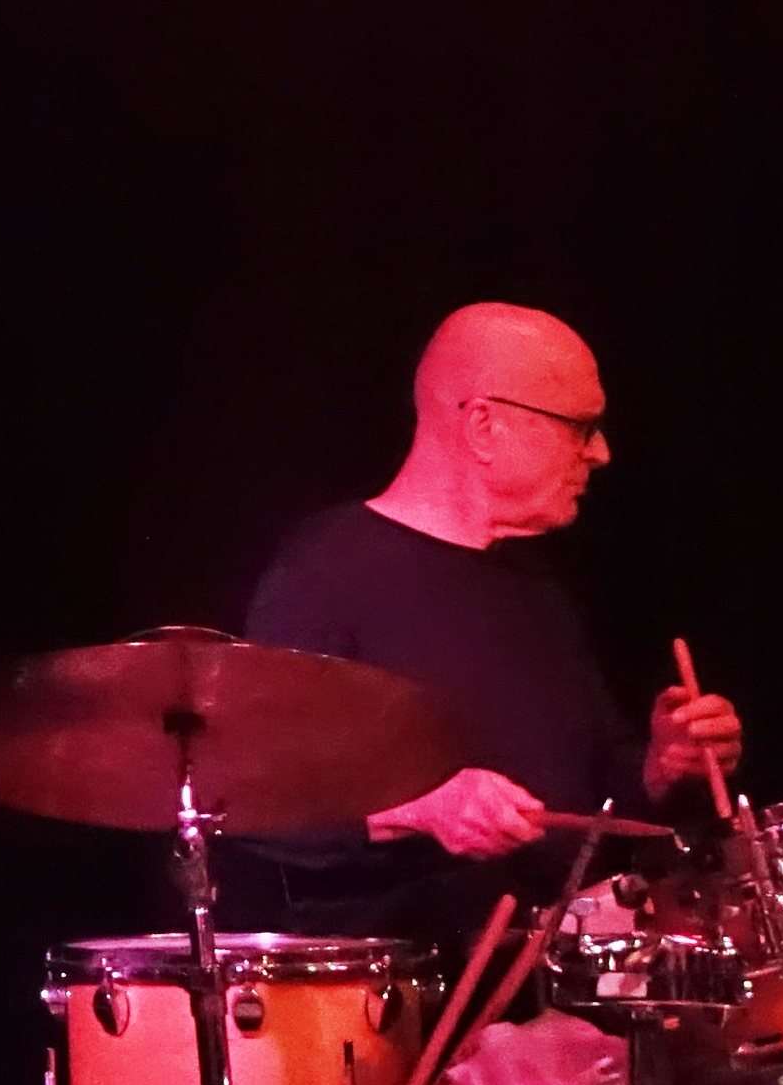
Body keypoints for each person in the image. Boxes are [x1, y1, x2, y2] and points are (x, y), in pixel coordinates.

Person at [244, 303, 742, 950]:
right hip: (404, 1010)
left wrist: (658, 766)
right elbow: (258, 807)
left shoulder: (535, 586)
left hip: (554, 983)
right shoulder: (327, 570)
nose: (601, 453)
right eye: (581, 427)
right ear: (483, 426)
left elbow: (589, 802)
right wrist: (422, 812)